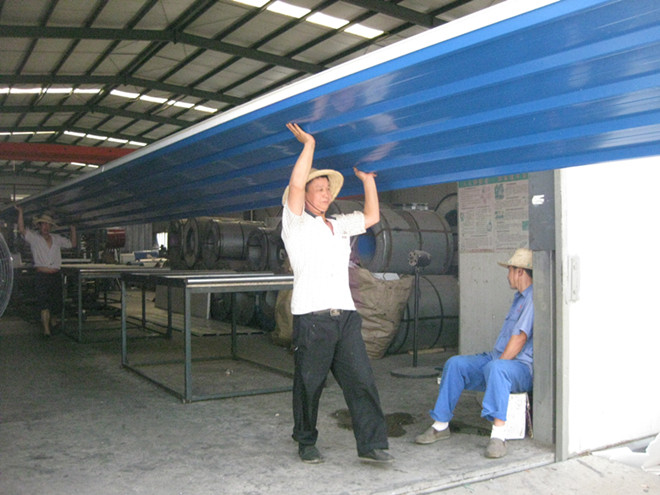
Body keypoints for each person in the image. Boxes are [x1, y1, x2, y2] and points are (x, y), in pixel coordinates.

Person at [280, 122, 393, 464]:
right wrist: (309, 145)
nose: (326, 194)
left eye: (328, 189)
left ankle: (372, 444)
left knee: (361, 381)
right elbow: (295, 183)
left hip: (345, 317)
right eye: (319, 188)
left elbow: (372, 216)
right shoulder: (296, 224)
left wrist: (368, 180)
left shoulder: (338, 225)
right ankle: (305, 441)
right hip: (313, 319)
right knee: (309, 384)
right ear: (304, 195)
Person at [415, 248, 534, 459]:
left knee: (496, 369)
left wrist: (495, 368)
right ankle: (440, 425)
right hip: (498, 360)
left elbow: (520, 338)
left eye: (509, 270)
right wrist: (494, 366)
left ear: (520, 271)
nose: (507, 275)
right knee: (455, 364)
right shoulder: (519, 298)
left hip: (520, 368)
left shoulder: (532, 298)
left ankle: (498, 436)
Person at [16, 206, 76, 337]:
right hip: (41, 275)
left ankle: (53, 322)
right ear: (39, 226)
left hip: (55, 275)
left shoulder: (57, 239)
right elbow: (21, 230)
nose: (46, 227)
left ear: (51, 227)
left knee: (56, 303)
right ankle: (46, 330)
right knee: (44, 303)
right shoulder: (35, 238)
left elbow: (72, 244)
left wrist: (73, 228)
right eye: (43, 224)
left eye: (48, 225)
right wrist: (21, 212)